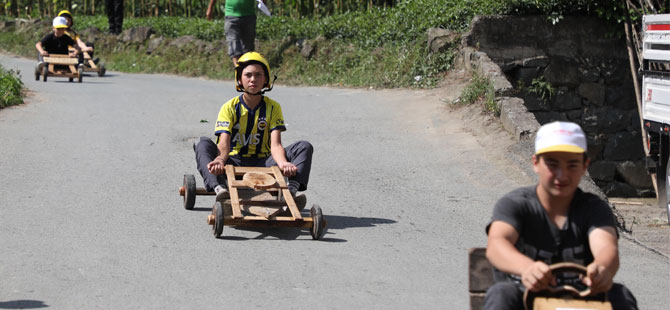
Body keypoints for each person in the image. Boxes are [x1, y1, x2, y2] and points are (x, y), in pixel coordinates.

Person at [484, 121, 638, 310]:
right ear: (535, 163)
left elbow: (606, 247)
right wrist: (527, 268)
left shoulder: (594, 209)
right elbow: (497, 245)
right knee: (502, 294)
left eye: (572, 165)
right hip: (525, 300)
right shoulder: (515, 204)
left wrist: (602, 267)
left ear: (584, 166)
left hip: (582, 301)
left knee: (620, 295)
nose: (562, 175)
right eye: (552, 164)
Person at [194, 52, 313, 207]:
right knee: (201, 143)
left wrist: (283, 164)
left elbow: (276, 145)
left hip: (264, 163)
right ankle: (219, 189)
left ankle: (290, 191)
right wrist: (219, 160)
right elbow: (223, 143)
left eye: (258, 75)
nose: (253, 79)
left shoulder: (273, 107)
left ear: (266, 79)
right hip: (232, 162)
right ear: (239, 79)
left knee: (304, 146)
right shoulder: (229, 107)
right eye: (248, 75)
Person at [224, 0, 261, 66]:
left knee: (248, 47)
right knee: (233, 42)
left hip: (249, 16)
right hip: (231, 15)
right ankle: (238, 69)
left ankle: (246, 69)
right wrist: (210, 8)